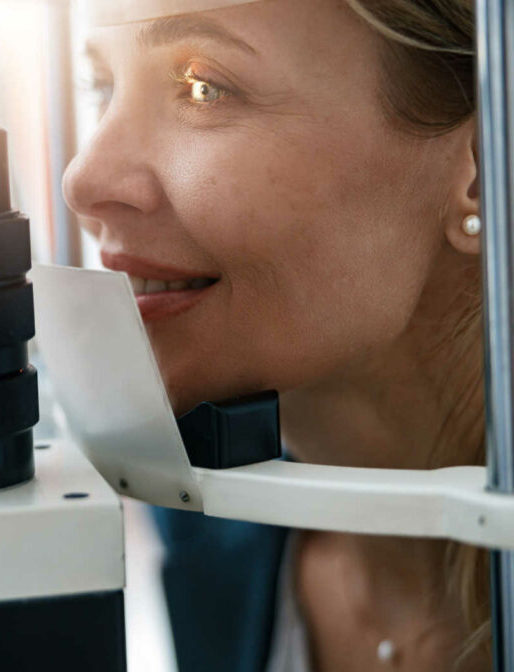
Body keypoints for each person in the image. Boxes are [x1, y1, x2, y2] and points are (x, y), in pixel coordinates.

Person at [62, 0, 488, 670]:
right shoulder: (203, 524)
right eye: (102, 87)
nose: (82, 181)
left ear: (483, 165)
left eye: (204, 87)